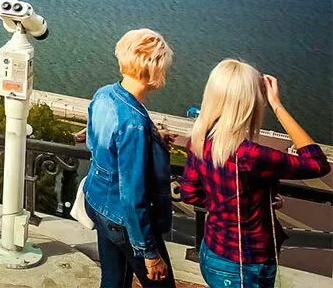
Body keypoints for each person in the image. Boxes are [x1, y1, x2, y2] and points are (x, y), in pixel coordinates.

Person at [180, 60, 330, 288]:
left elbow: (189, 193)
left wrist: (236, 205)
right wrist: (277, 105)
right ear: (249, 103)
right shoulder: (252, 155)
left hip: (211, 252)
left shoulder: (199, 140)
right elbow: (317, 163)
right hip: (246, 265)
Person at [83, 29, 176, 288]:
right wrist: (149, 253)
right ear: (154, 69)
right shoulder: (134, 123)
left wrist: (153, 139)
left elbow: (96, 143)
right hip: (124, 220)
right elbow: (132, 195)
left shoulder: (104, 94)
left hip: (98, 202)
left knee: (113, 281)